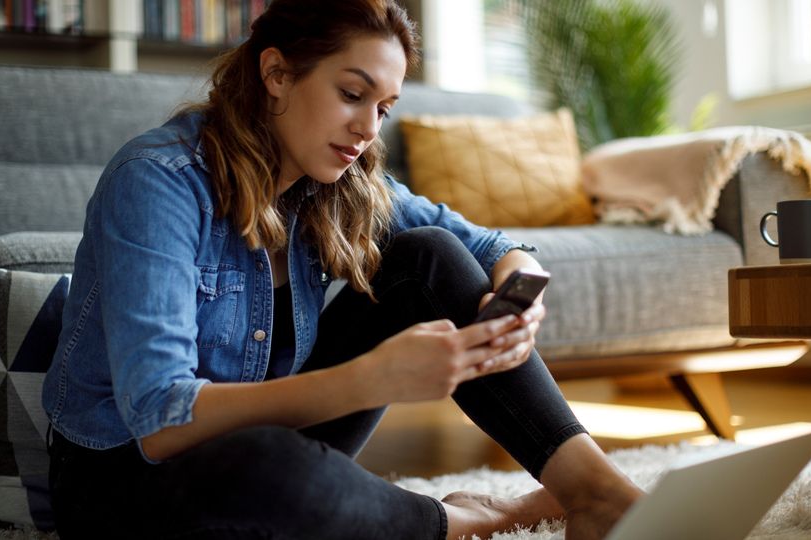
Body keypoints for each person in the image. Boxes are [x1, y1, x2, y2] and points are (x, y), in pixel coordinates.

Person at [41, 0, 644, 538]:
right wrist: (372, 378)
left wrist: (518, 294)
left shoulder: (337, 181)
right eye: (352, 95)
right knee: (283, 476)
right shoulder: (158, 182)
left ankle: (596, 492)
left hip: (262, 442)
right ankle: (476, 520)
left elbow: (487, 246)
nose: (367, 129)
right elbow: (161, 419)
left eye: (384, 107)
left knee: (426, 255)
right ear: (276, 74)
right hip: (126, 479)